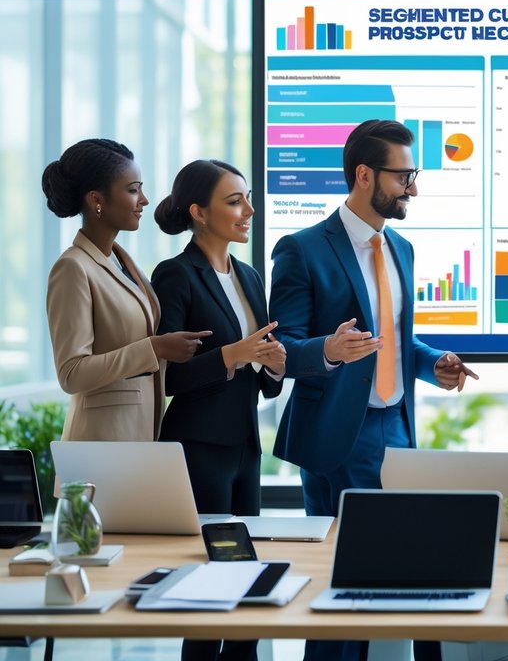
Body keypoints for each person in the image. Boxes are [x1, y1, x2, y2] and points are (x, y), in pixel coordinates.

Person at [270, 119, 477, 661]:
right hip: (338, 434)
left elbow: (395, 337)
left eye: (414, 174)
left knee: (409, 571)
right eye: (404, 175)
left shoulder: (401, 247)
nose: (413, 187)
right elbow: (281, 349)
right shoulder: (302, 249)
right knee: (341, 592)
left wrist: (436, 363)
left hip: (397, 429)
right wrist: (328, 351)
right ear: (364, 175)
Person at [151, 160, 285, 661]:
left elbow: (264, 376)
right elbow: (168, 375)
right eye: (234, 201)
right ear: (198, 213)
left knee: (245, 582)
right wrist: (233, 355)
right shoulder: (176, 275)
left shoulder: (248, 276)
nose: (248, 210)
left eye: (246, 199)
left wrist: (274, 364)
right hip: (199, 446)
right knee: (210, 590)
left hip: (245, 445)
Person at [42, 139, 209, 442]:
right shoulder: (72, 268)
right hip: (101, 443)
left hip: (140, 437)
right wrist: (154, 348)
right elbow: (72, 373)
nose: (144, 200)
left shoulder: (122, 262)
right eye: (133, 190)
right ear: (97, 200)